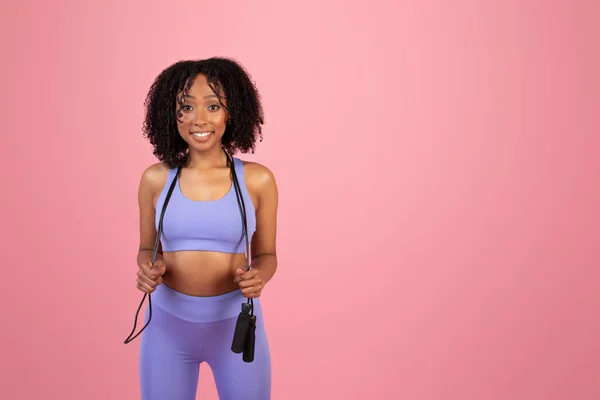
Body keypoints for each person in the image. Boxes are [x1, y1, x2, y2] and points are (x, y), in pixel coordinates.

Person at [132, 57, 278, 400]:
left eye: (213, 106)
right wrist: (148, 268)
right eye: (186, 107)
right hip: (167, 327)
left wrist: (261, 275)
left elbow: (268, 254)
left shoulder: (257, 180)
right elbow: (146, 248)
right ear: (172, 114)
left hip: (236, 326)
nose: (200, 119)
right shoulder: (155, 179)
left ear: (233, 112)